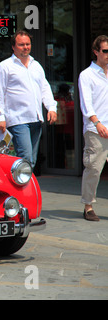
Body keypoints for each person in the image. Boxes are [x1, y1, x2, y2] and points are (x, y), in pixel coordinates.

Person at [0, 30, 57, 168]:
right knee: (25, 156)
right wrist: (0, 117)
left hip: (35, 119)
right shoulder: (4, 67)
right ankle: (20, 186)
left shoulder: (36, 65)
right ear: (13, 46)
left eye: (28, 44)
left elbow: (44, 88)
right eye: (21, 44)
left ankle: (22, 185)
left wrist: (51, 108)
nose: (25, 47)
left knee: (31, 160)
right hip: (17, 119)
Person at [78, 35, 108, 222]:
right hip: (96, 129)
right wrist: (98, 123)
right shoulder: (86, 75)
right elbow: (86, 104)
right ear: (96, 52)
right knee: (94, 169)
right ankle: (88, 206)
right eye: (105, 51)